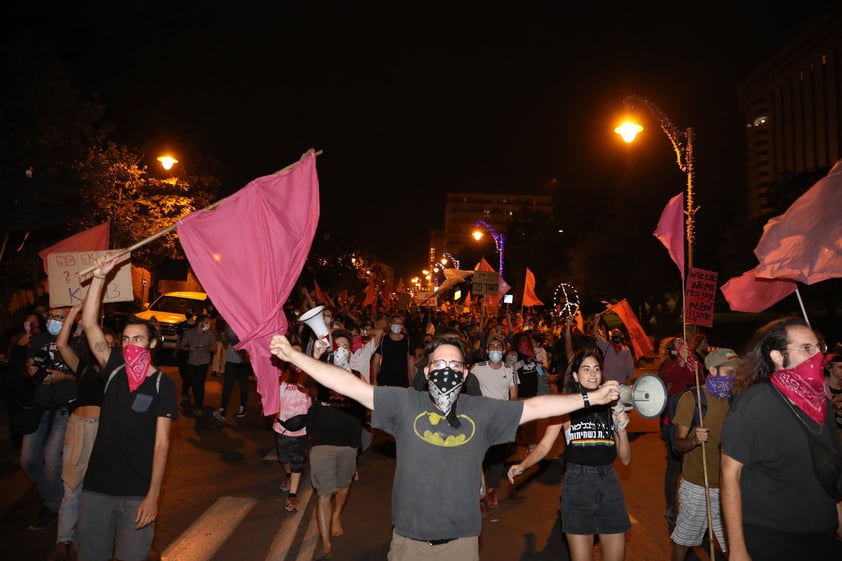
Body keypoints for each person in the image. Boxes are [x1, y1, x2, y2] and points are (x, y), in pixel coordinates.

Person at [269, 333, 621, 561]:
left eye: (455, 364)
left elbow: (535, 407)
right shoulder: (406, 404)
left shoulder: (480, 411)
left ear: (466, 373)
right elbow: (350, 386)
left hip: (462, 544)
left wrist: (590, 398)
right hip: (408, 543)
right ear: (426, 370)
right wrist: (295, 357)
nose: (447, 370)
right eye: (439, 363)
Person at [77, 255, 179, 561]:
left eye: (138, 339)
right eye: (126, 339)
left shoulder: (163, 384)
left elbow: (162, 444)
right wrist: (99, 277)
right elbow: (89, 323)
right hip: (97, 488)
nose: (131, 345)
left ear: (151, 344)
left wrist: (153, 496)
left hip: (137, 492)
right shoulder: (114, 368)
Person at [721, 317, 842, 560]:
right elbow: (729, 475)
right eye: (806, 348)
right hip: (772, 537)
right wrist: (737, 550)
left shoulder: (823, 405)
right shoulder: (756, 404)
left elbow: (829, 473)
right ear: (777, 357)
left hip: (823, 535)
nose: (818, 356)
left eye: (819, 348)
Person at [507, 349, 631, 561]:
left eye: (596, 369)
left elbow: (626, 459)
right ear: (575, 376)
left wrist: (621, 427)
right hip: (577, 484)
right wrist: (523, 465)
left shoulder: (612, 406)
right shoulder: (566, 408)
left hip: (609, 482)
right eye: (586, 369)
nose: (592, 374)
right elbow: (545, 446)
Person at [669, 347, 739, 561]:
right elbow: (678, 445)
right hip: (699, 485)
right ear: (712, 370)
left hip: (728, 485)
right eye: (729, 372)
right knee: (684, 541)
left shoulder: (735, 400)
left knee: (734, 544)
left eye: (736, 373)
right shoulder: (693, 399)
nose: (734, 377)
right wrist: (694, 440)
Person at [307, 329, 367, 560]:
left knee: (343, 485)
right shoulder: (321, 373)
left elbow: (367, 400)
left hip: (349, 443)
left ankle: (336, 515)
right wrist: (316, 357)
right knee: (324, 493)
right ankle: (325, 543)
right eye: (337, 346)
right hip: (323, 442)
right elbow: (305, 379)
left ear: (351, 352)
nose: (341, 350)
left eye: (345, 346)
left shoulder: (358, 376)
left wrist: (348, 375)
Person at [21, 305, 77, 531]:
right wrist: (31, 369)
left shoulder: (78, 343)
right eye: (52, 316)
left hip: (64, 409)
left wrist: (62, 376)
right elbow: (27, 369)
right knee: (28, 461)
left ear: (70, 321)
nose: (54, 320)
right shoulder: (39, 340)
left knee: (52, 459)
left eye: (60, 317)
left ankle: (52, 507)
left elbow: (86, 377)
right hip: (40, 407)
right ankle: (54, 497)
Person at [470, 334, 518, 513]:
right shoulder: (477, 368)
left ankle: (490, 491)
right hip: (480, 419)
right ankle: (478, 495)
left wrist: (510, 414)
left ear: (504, 351)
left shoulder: (509, 370)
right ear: (487, 350)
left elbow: (513, 395)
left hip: (500, 420)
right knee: (479, 456)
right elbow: (468, 390)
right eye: (493, 347)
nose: (496, 350)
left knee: (497, 458)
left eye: (499, 347)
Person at [659, 336, 700, 527]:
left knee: (693, 466)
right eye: (677, 342)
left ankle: (692, 508)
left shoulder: (695, 363)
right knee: (675, 467)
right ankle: (670, 507)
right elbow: (670, 377)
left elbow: (703, 381)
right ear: (673, 350)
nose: (682, 342)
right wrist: (682, 362)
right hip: (673, 422)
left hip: (693, 421)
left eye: (683, 340)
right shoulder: (669, 364)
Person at [272, 342, 313, 513]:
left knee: (297, 461)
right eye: (292, 353)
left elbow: (314, 402)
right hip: (281, 427)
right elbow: (273, 399)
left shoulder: (310, 377)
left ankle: (292, 496)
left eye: (298, 353)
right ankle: (288, 475)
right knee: (283, 458)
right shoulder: (281, 376)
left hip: (300, 430)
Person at [212, 320, 252, 422]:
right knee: (227, 386)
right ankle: (222, 411)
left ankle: (243, 408)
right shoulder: (229, 325)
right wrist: (222, 335)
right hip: (231, 360)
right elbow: (225, 344)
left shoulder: (248, 325)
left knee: (243, 386)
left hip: (244, 362)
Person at [179, 315, 217, 417]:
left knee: (199, 384)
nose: (208, 324)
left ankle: (198, 406)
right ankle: (188, 394)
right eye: (207, 322)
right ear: (201, 323)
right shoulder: (189, 333)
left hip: (203, 362)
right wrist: (189, 348)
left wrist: (206, 348)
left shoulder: (210, 334)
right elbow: (182, 346)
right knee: (192, 381)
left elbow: (215, 349)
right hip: (191, 362)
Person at [372, 314, 413, 388]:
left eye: (400, 323)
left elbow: (410, 361)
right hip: (385, 379)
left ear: (402, 326)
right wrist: (374, 379)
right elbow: (376, 360)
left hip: (402, 380)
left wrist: (412, 381)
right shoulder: (383, 340)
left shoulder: (407, 340)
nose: (397, 325)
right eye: (395, 323)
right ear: (390, 324)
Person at [593, 315, 634, 385]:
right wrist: (596, 322)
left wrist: (631, 378)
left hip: (619, 382)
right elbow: (595, 335)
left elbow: (630, 366)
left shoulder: (625, 350)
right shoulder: (607, 346)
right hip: (611, 382)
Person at [173, 308, 197, 406]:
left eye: (190, 311)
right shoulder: (181, 325)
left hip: (193, 353)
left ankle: (185, 391)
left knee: (190, 373)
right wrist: (176, 351)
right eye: (186, 311)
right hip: (183, 352)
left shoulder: (197, 325)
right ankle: (186, 387)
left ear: (194, 313)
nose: (188, 313)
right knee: (183, 372)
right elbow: (178, 340)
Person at [823, 345, 842, 444]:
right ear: (829, 367)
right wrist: (836, 399)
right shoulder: (821, 388)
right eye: (840, 367)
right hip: (829, 439)